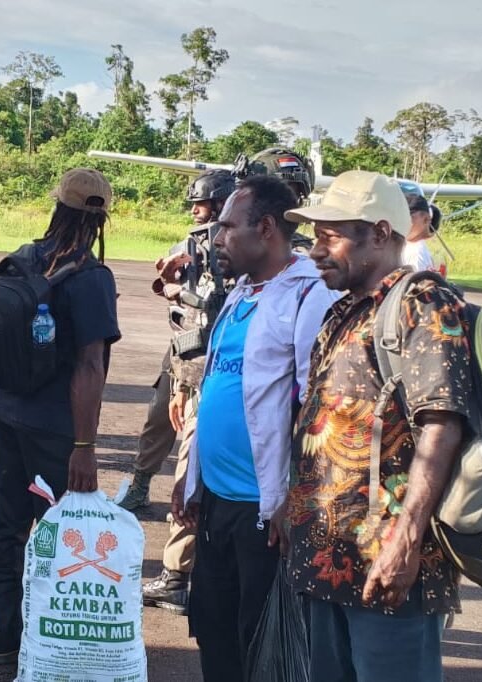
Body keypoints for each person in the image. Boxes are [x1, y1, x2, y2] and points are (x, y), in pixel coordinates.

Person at [282, 170, 472, 682]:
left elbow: (442, 424)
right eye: (315, 237)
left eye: (332, 236)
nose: (316, 250)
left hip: (385, 564)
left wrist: (406, 541)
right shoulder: (345, 311)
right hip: (329, 557)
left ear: (382, 234)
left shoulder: (424, 304)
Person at [172, 173, 337, 682]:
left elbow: (317, 405)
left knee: (260, 637)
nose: (218, 239)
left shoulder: (308, 295)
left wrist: (297, 495)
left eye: (228, 227)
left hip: (265, 506)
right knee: (213, 624)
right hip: (219, 498)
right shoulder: (244, 292)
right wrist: (192, 473)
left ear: (266, 228)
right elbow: (220, 387)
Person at [0, 168, 121, 665]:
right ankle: (53, 643)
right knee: (66, 536)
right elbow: (89, 366)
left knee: (9, 525)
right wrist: (84, 448)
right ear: (101, 217)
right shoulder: (90, 276)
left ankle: (7, 637)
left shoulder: (22, 258)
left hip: (6, 411)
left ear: (56, 205)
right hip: (54, 428)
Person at [126, 169, 236, 617]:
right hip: (184, 359)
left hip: (213, 372)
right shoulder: (194, 243)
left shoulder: (236, 251)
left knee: (190, 473)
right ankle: (138, 485)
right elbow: (166, 287)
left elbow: (216, 306)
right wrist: (174, 281)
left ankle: (177, 576)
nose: (196, 211)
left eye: (204, 204)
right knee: (162, 431)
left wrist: (184, 293)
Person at [402, 193, 438, 272]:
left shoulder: (416, 254)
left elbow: (414, 283)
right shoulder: (412, 248)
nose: (403, 221)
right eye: (401, 216)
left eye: (409, 217)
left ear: (426, 219)